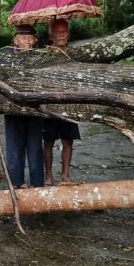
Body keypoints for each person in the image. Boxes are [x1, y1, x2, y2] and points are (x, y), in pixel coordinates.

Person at [4, 25, 44, 188]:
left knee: (35, 147)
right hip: (12, 107)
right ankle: (16, 182)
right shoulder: (6, 56)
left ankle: (37, 184)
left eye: (30, 38)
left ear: (35, 40)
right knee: (14, 146)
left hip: (34, 107)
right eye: (22, 37)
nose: (26, 41)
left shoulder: (41, 57)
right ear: (15, 40)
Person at [43, 19, 81, 185]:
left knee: (68, 141)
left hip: (68, 103)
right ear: (50, 34)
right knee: (48, 141)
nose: (61, 35)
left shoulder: (74, 54)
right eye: (57, 32)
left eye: (64, 31)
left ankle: (65, 175)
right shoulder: (44, 55)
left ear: (69, 34)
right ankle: (49, 176)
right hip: (50, 103)